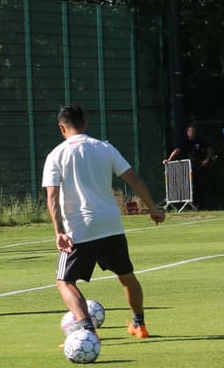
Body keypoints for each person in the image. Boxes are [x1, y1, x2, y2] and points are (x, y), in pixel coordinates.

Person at [42, 105, 165, 341]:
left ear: (61, 127)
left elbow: (52, 197)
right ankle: (139, 325)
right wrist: (153, 208)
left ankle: (87, 330)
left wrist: (59, 231)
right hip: (110, 224)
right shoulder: (104, 147)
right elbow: (133, 179)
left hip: (80, 228)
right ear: (85, 123)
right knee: (126, 275)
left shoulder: (56, 155)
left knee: (65, 281)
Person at [164, 124, 212, 208]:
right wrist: (169, 159)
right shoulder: (183, 141)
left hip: (197, 167)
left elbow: (209, 149)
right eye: (190, 131)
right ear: (187, 132)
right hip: (185, 168)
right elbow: (177, 150)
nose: (191, 133)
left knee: (198, 186)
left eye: (193, 131)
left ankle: (199, 205)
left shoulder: (199, 140)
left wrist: (206, 159)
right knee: (186, 186)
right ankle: (185, 205)